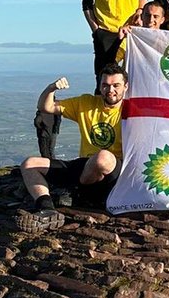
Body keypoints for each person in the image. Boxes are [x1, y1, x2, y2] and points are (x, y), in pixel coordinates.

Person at [19, 63, 129, 220]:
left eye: (116, 85)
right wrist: (51, 88)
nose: (110, 90)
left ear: (126, 86)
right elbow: (46, 107)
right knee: (29, 164)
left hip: (115, 169)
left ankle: (78, 193)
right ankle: (45, 207)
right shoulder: (86, 103)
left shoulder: (134, 110)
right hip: (85, 165)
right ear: (100, 86)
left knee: (103, 158)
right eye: (105, 85)